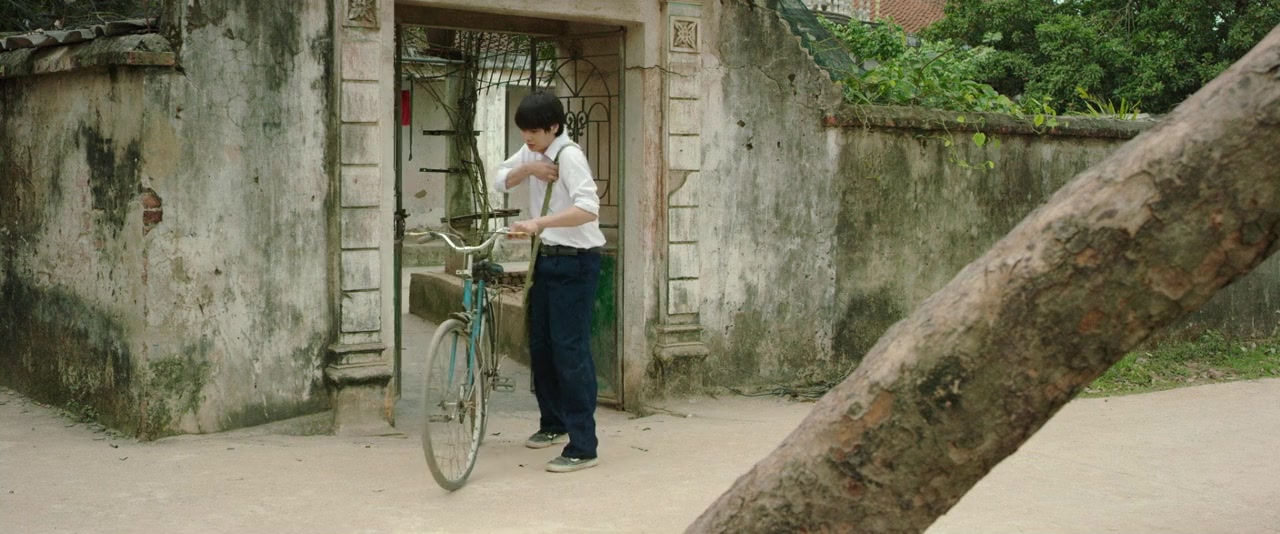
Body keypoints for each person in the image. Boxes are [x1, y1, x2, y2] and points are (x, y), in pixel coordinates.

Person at [491, 92, 606, 473]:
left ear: (553, 127)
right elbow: (500, 180)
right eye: (523, 131)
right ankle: (553, 423)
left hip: (576, 262)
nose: (527, 138)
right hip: (545, 259)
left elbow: (588, 209)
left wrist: (538, 223)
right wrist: (530, 170)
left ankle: (583, 446)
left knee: (570, 351)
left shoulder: (569, 156)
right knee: (541, 346)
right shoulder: (533, 152)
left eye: (534, 131)